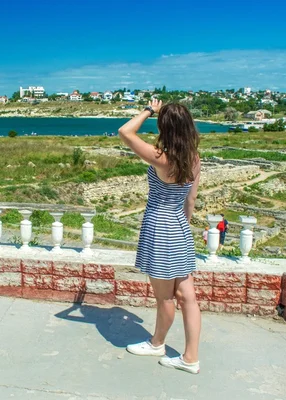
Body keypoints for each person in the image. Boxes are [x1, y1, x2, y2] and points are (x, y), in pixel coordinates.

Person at [119, 99, 201, 374]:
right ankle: (191, 357)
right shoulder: (193, 157)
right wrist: (183, 230)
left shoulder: (161, 158)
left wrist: (149, 109)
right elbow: (190, 200)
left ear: (164, 127)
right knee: (187, 295)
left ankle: (157, 343)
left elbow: (125, 132)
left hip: (159, 226)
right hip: (179, 226)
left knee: (165, 298)